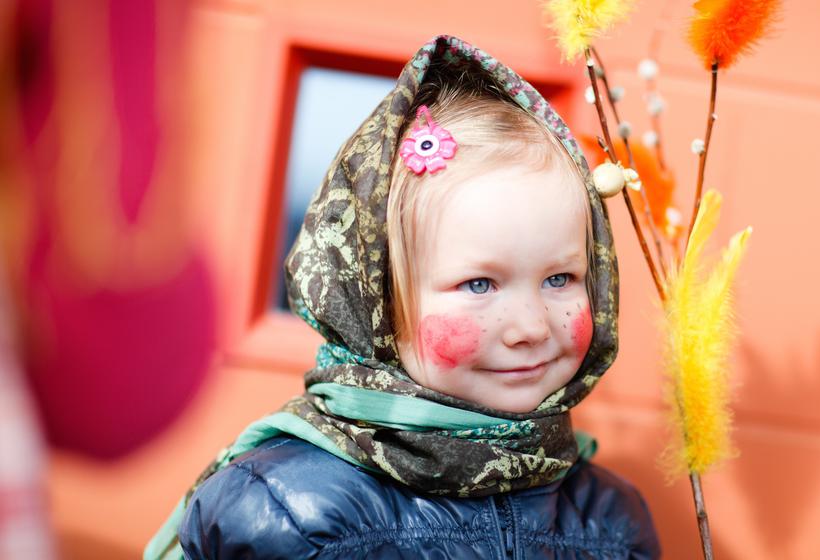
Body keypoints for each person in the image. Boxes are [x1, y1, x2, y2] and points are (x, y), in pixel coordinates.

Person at [146, 35, 660, 559]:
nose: (530, 327)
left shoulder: (612, 523)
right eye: (479, 284)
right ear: (377, 303)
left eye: (560, 279)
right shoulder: (289, 514)